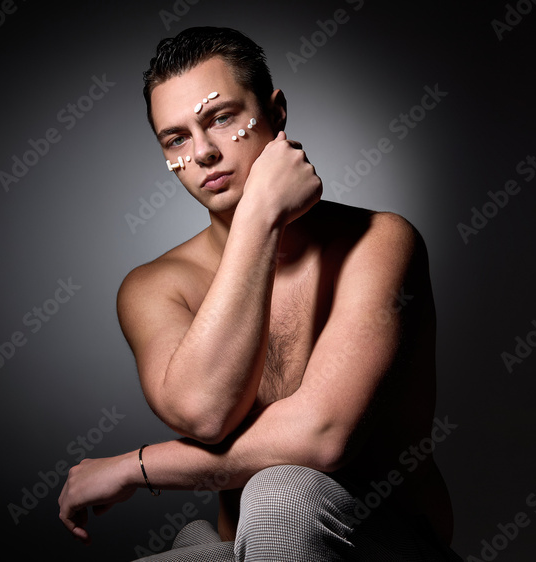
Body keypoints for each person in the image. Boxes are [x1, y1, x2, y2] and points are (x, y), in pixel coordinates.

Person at [58, 27, 461, 561]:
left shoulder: (380, 242)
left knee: (282, 496)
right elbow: (205, 414)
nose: (202, 153)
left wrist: (134, 467)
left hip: (386, 547)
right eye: (176, 139)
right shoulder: (152, 286)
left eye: (221, 117)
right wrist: (258, 222)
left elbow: (322, 438)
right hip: (250, 547)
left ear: (276, 112)